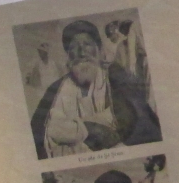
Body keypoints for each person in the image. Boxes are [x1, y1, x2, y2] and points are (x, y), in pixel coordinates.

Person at [29, 20, 161, 159]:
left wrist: (69, 130)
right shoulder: (56, 89)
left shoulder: (116, 77)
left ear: (98, 50)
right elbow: (38, 133)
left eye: (87, 44)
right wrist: (87, 129)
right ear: (68, 55)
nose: (81, 52)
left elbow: (135, 119)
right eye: (74, 47)